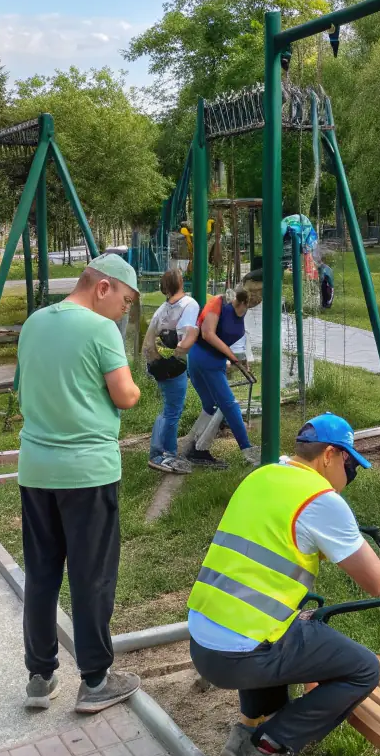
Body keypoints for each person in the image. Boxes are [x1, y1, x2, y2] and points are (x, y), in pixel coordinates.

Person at [187, 413, 380, 756]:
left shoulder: (262, 476)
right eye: (349, 463)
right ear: (329, 455)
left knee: (289, 627)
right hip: (241, 652)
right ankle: (266, 750)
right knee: (363, 669)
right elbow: (376, 580)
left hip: (204, 639)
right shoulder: (320, 500)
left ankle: (248, 731)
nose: (350, 475)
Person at [15, 252, 143, 713]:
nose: (124, 311)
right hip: (87, 472)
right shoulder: (100, 330)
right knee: (92, 575)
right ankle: (95, 680)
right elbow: (125, 395)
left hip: (35, 470)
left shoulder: (34, 323)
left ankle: (40, 676)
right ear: (103, 287)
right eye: (125, 301)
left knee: (42, 573)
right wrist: (136, 389)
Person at [183, 286, 259, 468]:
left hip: (214, 362)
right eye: (251, 304)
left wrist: (242, 362)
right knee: (229, 404)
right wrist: (233, 358)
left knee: (210, 405)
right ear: (243, 301)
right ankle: (248, 451)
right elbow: (207, 333)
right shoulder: (218, 303)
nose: (252, 308)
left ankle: (194, 449)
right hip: (203, 359)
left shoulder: (241, 313)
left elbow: (234, 340)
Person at [143, 267, 200, 475]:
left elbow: (148, 341)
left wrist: (157, 361)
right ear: (181, 282)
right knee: (172, 411)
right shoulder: (189, 304)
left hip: (157, 362)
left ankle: (166, 451)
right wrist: (179, 354)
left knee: (169, 407)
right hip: (173, 363)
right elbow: (187, 335)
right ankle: (160, 454)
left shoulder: (162, 309)